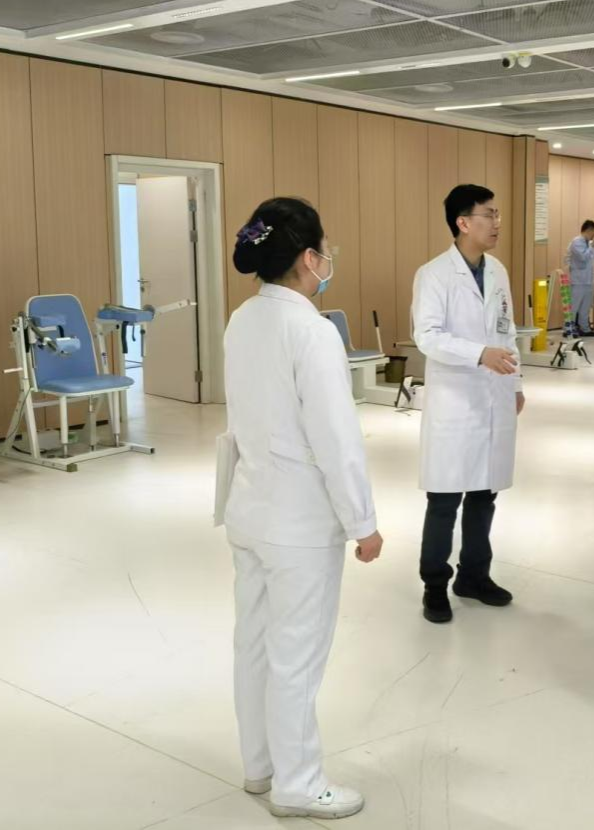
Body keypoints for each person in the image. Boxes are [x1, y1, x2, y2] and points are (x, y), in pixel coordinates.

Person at [222, 197, 384, 819]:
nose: (327, 259)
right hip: (300, 525)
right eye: (324, 250)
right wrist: (363, 523)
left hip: (250, 510)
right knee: (296, 655)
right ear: (309, 258)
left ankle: (260, 766)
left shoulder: (243, 320)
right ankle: (298, 784)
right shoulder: (311, 331)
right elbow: (335, 438)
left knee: (254, 645)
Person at [412, 184, 524, 624]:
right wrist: (479, 354)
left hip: (494, 394)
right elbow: (427, 336)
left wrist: (516, 383)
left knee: (484, 494)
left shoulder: (497, 270)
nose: (497, 223)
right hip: (455, 402)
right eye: (488, 215)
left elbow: (507, 330)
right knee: (444, 500)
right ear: (463, 222)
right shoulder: (434, 274)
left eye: (497, 215)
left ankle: (474, 576)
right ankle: (434, 585)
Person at [564, 219, 594, 336]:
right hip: (578, 280)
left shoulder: (588, 243)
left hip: (589, 280)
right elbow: (583, 257)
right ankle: (569, 330)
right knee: (574, 307)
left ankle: (585, 329)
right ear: (589, 230)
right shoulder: (576, 242)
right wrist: (592, 247)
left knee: (586, 307)